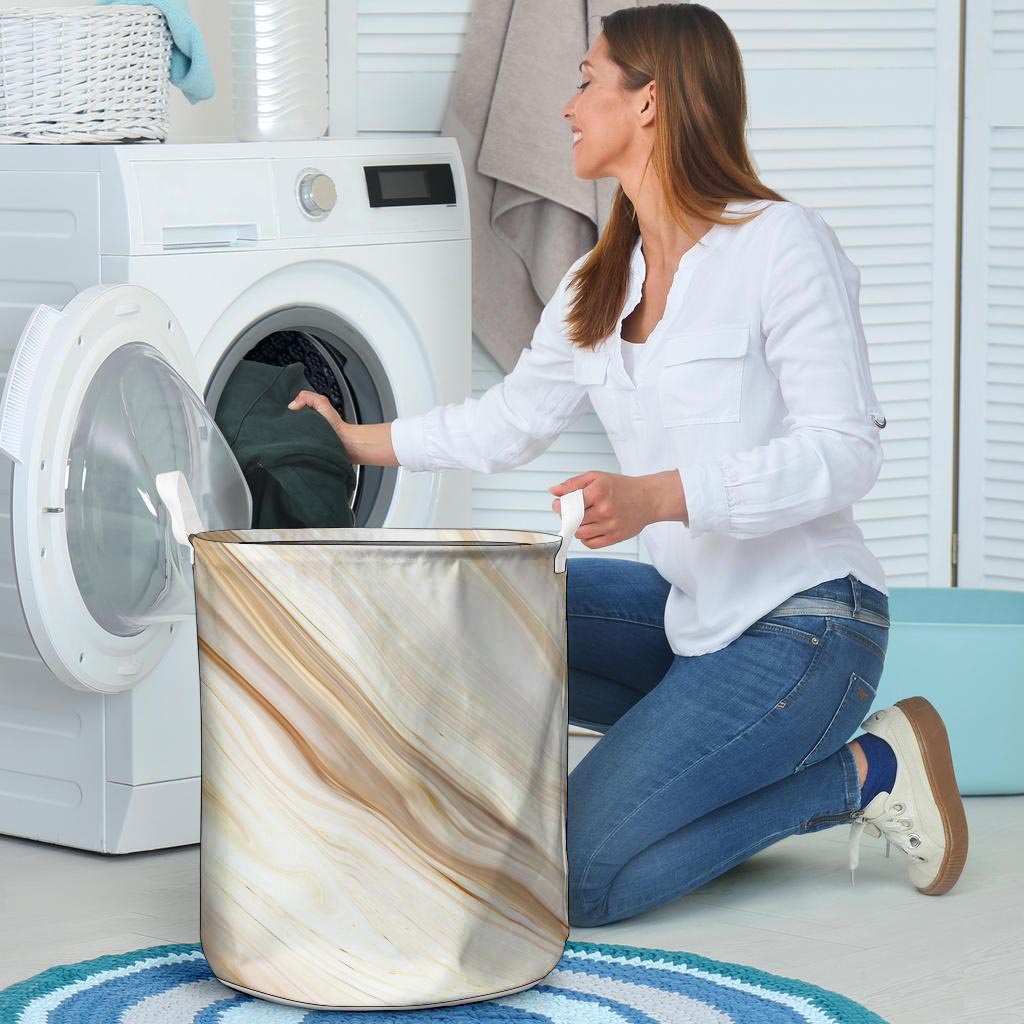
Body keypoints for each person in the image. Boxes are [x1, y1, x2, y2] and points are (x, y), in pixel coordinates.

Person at [287, 2, 969, 928]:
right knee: (474, 603)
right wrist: (361, 437)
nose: (566, 107)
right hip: (694, 621)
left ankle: (865, 773)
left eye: (585, 81)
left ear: (648, 103)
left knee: (577, 881)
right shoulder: (597, 282)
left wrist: (661, 498)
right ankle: (502, 819)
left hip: (810, 627)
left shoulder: (779, 244)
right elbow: (508, 423)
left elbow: (846, 454)